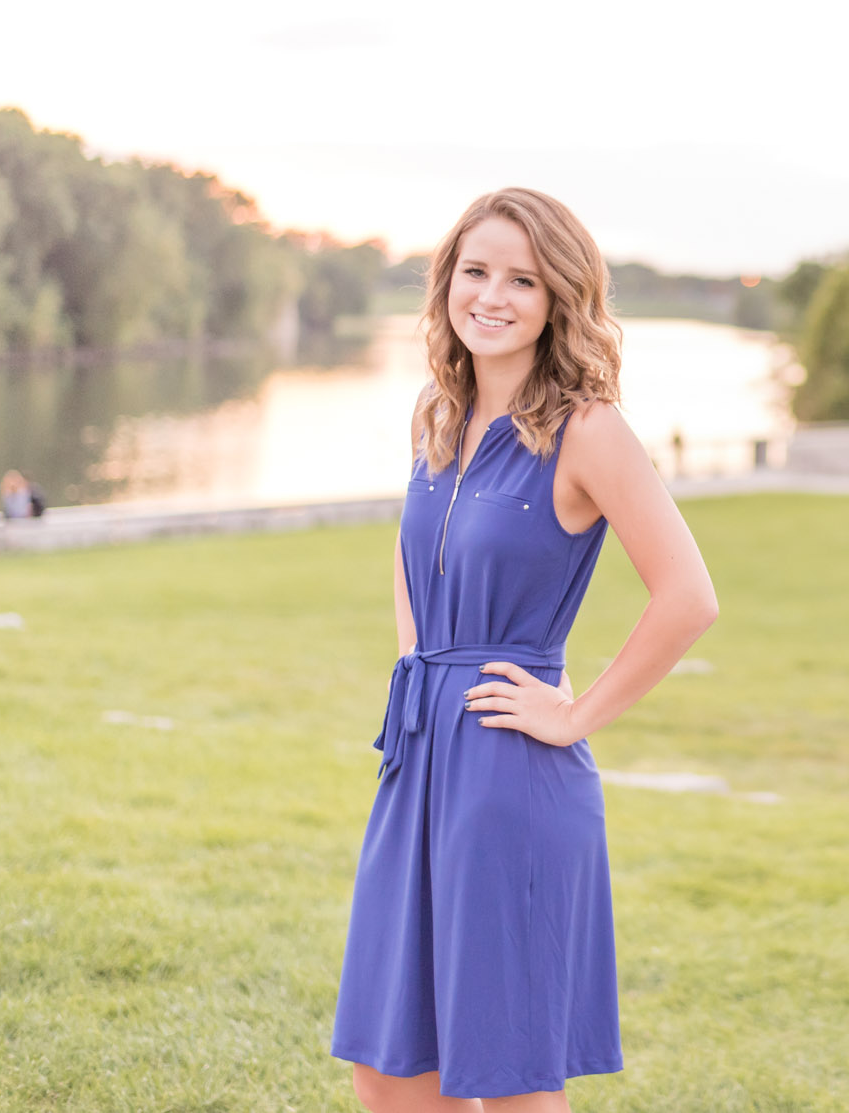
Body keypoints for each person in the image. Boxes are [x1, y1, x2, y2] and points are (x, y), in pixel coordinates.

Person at [333, 187, 719, 1112]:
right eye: (475, 271)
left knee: (507, 1078)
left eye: (523, 278)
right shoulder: (439, 410)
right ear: (447, 283)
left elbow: (689, 596)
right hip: (419, 757)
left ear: (560, 300)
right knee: (388, 1067)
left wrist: (575, 712)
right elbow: (410, 551)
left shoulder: (589, 430)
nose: (493, 295)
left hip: (512, 777)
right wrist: (423, 666)